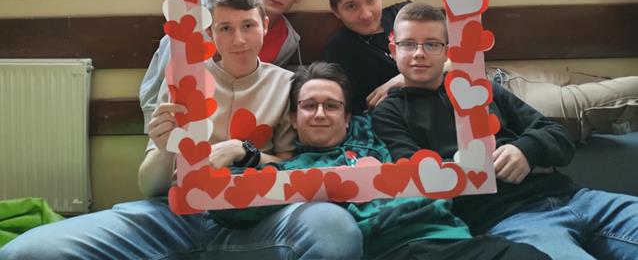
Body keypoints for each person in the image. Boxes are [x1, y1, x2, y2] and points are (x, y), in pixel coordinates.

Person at [0, 0, 361, 260]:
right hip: (175, 213)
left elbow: (291, 166)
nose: (239, 39)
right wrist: (162, 148)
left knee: (334, 229)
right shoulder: (185, 78)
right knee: (27, 252)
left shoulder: (287, 85)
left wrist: (242, 150)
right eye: (225, 28)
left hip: (258, 215)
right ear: (209, 34)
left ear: (265, 26)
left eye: (248, 25)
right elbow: (150, 186)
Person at [371, 2, 638, 260]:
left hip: (577, 198)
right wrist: (489, 166)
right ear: (393, 49)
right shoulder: (389, 113)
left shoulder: (482, 89)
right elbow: (421, 177)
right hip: (511, 219)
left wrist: (526, 150)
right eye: (409, 44)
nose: (419, 53)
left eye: (432, 44)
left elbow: (559, 137)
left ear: (447, 52)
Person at [212, 61, 549, 260]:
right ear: (292, 119)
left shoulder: (380, 128)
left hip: (452, 238)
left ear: (348, 117)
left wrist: (406, 75)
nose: (320, 114)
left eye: (331, 106)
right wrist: (243, 152)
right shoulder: (290, 171)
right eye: (309, 106)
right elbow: (227, 207)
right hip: (386, 250)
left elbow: (443, 64)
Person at [140, 0, 312, 133]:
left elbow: (266, 92)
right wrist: (158, 126)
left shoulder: (288, 41)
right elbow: (171, 69)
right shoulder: (211, 5)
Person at [322, 0, 409, 114]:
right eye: (351, 6)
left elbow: (449, 55)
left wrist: (406, 80)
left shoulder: (406, 15)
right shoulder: (338, 51)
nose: (366, 15)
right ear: (336, 11)